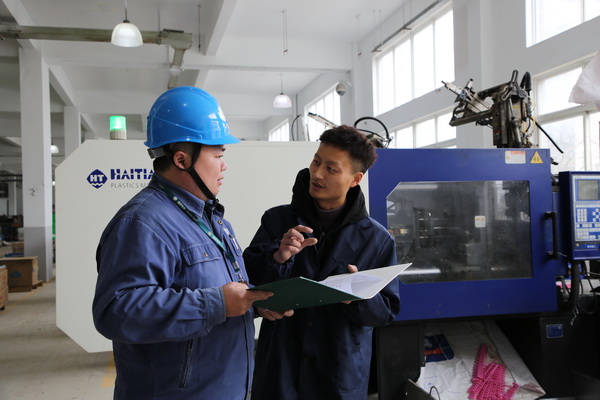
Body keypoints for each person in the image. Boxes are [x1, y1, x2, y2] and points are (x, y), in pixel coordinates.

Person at [92, 86, 289, 400]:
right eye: (218, 155)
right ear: (182, 159)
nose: (224, 165)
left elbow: (216, 293)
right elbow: (116, 312)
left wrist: (253, 302)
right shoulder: (142, 223)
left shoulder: (213, 220)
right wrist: (216, 304)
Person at [243, 125, 401, 400]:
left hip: (338, 372)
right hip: (281, 365)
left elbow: (386, 311)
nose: (317, 174)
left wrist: (357, 296)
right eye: (316, 162)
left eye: (331, 169)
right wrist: (277, 258)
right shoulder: (277, 220)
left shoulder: (376, 240)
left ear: (355, 179)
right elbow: (246, 281)